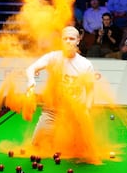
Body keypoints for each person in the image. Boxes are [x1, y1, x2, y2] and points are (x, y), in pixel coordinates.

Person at [26, 26, 96, 156]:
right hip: (52, 112)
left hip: (75, 113)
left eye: (72, 38)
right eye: (65, 39)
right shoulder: (53, 57)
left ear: (78, 41)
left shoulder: (86, 64)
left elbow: (90, 91)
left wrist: (87, 110)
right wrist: (31, 82)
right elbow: (31, 69)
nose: (68, 41)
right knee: (36, 145)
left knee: (80, 152)